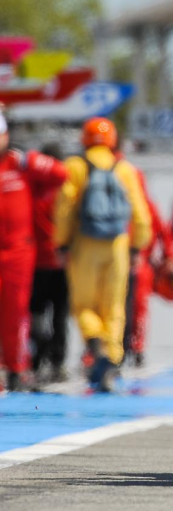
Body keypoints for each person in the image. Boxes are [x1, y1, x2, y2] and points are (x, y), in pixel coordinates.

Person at [54, 117, 151, 391]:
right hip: (118, 244)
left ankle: (95, 345)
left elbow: (64, 210)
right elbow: (141, 216)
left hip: (85, 244)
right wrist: (136, 248)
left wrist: (61, 244)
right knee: (115, 306)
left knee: (83, 305)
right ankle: (111, 360)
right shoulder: (125, 169)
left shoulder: (75, 166)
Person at [0, 110, 67, 391]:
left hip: (18, 255)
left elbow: (60, 174)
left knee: (16, 315)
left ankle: (17, 369)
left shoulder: (20, 164)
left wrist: (30, 159)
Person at [122, 148, 173, 368]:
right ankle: (115, 349)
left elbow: (166, 235)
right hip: (116, 264)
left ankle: (136, 348)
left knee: (138, 309)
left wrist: (171, 259)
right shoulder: (118, 204)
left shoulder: (148, 207)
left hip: (141, 266)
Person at [27, 142, 70, 384]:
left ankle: (38, 357)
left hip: (36, 263)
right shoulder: (66, 191)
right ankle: (58, 362)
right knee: (59, 315)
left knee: (36, 313)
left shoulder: (31, 188)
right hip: (61, 263)